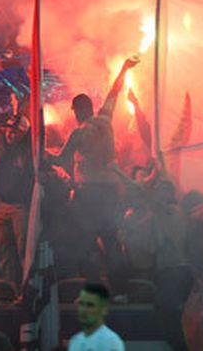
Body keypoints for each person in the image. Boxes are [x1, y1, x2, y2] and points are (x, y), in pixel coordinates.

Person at [57, 57, 137, 294]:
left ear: (78, 111)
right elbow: (114, 92)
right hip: (111, 191)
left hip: (89, 193)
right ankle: (121, 292)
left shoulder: (78, 134)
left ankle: (93, 292)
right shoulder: (105, 120)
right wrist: (123, 69)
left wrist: (40, 155)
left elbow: (60, 159)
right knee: (111, 240)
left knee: (86, 242)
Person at [0, 111, 33, 289]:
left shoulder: (29, 152)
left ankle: (26, 290)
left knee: (23, 251)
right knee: (4, 251)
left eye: (14, 131)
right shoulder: (1, 146)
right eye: (8, 130)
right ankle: (10, 288)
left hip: (20, 207)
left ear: (23, 133)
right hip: (3, 206)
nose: (9, 134)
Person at [70, 281, 125, 351]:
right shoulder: (75, 341)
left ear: (104, 310)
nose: (83, 310)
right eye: (81, 303)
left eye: (90, 305)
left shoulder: (110, 341)